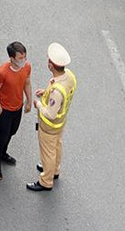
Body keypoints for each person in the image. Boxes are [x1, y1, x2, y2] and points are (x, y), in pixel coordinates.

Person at [27, 43, 76, 193]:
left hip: (49, 126)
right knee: (56, 147)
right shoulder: (69, 76)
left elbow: (50, 113)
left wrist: (39, 104)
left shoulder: (57, 92)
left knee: (47, 153)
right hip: (60, 124)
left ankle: (46, 180)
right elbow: (59, 90)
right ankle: (54, 170)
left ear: (51, 66)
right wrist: (46, 92)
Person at [0, 41, 33, 180]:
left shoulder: (26, 67)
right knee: (2, 137)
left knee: (12, 132)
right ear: (11, 58)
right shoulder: (1, 72)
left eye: (24, 57)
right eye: (20, 58)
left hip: (17, 107)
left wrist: (29, 101)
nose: (23, 60)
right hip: (5, 110)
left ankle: (3, 153)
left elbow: (27, 83)